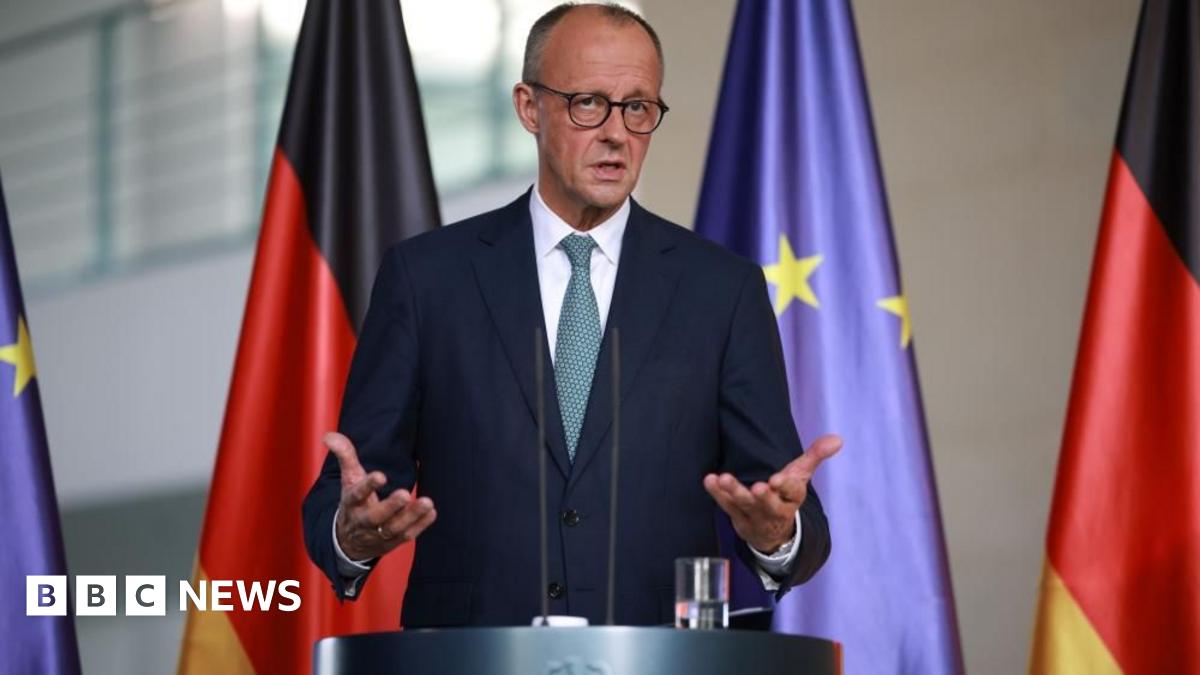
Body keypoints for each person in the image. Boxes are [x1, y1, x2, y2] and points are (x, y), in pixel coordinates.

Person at [302, 2, 840, 628]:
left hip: (658, 663)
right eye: (588, 102)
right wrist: (353, 533)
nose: (616, 132)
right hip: (473, 661)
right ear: (530, 107)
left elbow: (789, 518)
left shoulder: (721, 290)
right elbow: (345, 497)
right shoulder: (427, 279)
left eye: (638, 107)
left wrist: (779, 533)